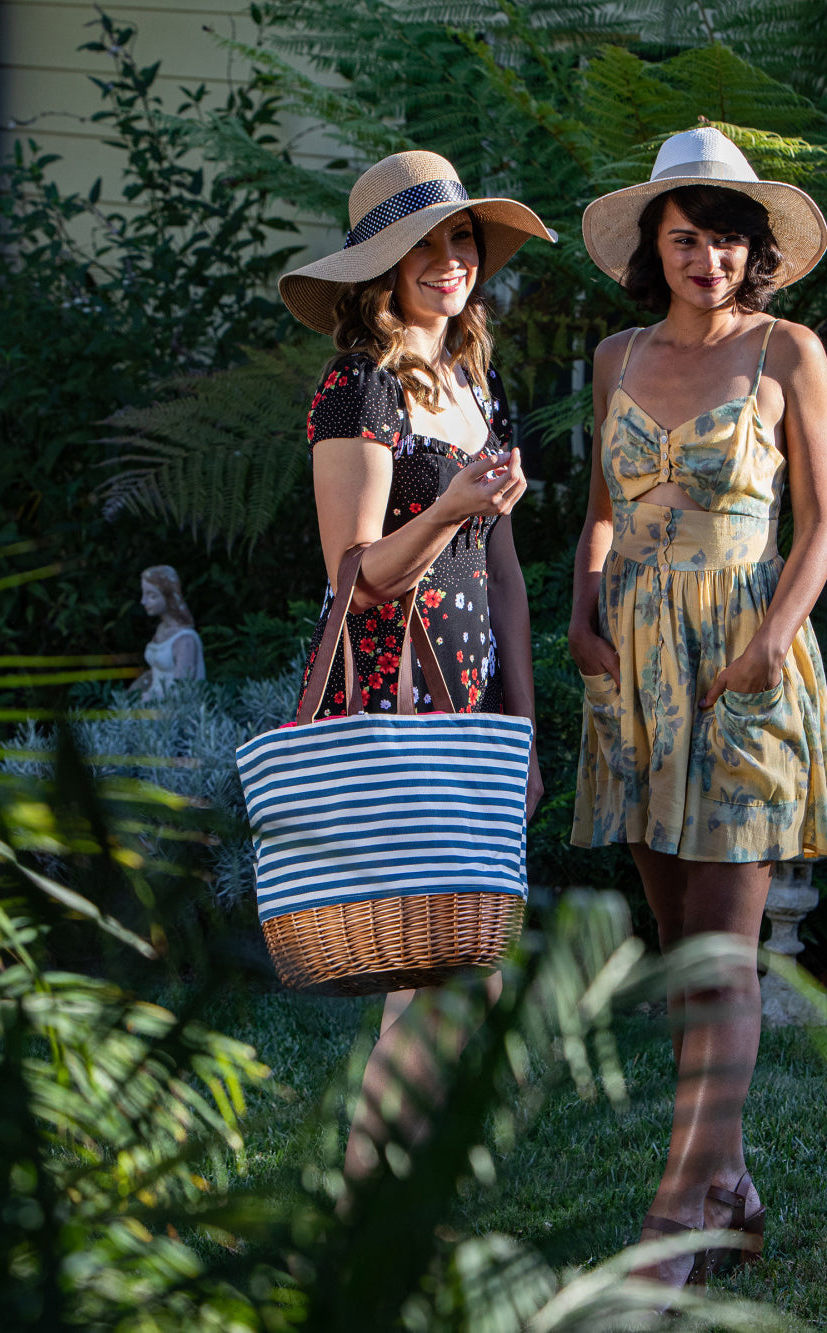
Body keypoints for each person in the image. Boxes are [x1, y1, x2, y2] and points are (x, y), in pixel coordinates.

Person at [569, 127, 827, 1286]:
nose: (707, 259)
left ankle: (671, 1226)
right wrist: (580, 614)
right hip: (630, 666)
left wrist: (768, 642)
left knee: (726, 963)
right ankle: (727, 1190)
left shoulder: (788, 351)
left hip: (743, 661)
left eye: (727, 240)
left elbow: (825, 522)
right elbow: (595, 506)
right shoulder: (614, 356)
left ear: (753, 252)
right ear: (655, 247)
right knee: (683, 953)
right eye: (685, 238)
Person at [277, 149, 555, 1196]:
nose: (450, 261)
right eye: (424, 245)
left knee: (455, 971)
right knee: (436, 970)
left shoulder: (478, 384)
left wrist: (521, 725)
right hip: (396, 698)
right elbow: (354, 573)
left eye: (461, 238)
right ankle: (376, 1216)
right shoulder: (358, 388)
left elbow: (506, 574)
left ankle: (396, 1216)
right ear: (380, 273)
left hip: (473, 702)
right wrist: (448, 508)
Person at [130, 565, 205, 701]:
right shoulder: (162, 629)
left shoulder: (185, 640)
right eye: (144, 594)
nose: (143, 601)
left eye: (152, 596)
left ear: (168, 596)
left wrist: (149, 698)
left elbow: (183, 688)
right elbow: (157, 672)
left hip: (174, 713)